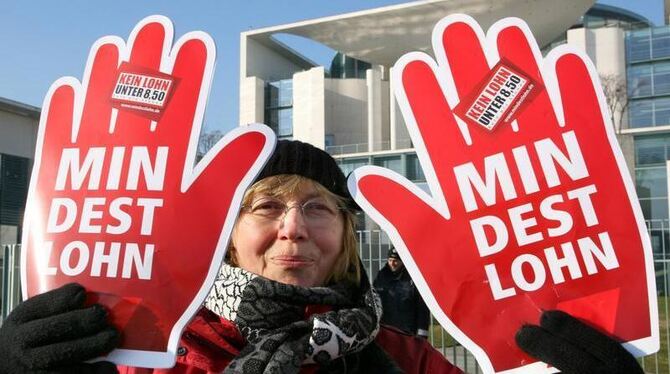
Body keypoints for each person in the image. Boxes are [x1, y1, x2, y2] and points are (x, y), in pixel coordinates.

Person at [0, 140, 645, 374]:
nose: (294, 230)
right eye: (267, 208)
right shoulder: (149, 354)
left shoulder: (406, 360)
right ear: (227, 233)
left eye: (318, 208)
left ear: (343, 232)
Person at [374, 247, 430, 338]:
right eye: (390, 260)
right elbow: (374, 302)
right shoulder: (381, 277)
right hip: (385, 333)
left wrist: (422, 336)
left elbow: (422, 308)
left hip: (407, 334)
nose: (392, 263)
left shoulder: (413, 279)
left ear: (402, 261)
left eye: (395, 260)